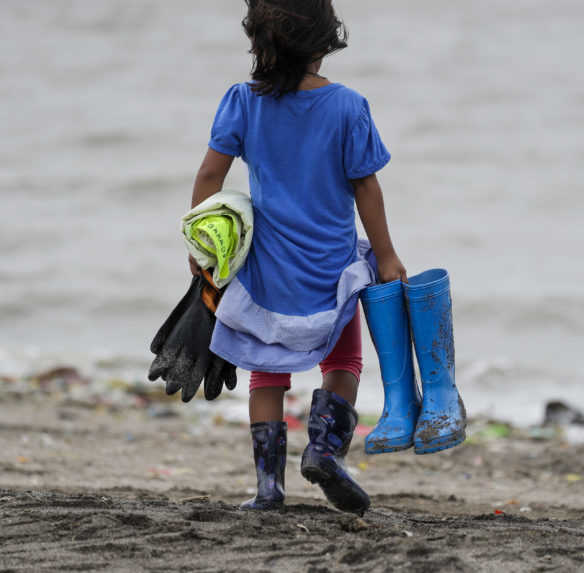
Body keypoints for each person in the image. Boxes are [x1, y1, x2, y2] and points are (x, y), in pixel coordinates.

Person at [187, 0, 405, 515]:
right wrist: (388, 256)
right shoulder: (348, 106)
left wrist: (203, 250)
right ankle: (325, 452)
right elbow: (366, 189)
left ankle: (268, 489)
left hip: (265, 270)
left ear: (260, 42)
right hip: (330, 268)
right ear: (325, 41)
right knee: (345, 361)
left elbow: (208, 178)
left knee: (266, 371)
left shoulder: (243, 100)